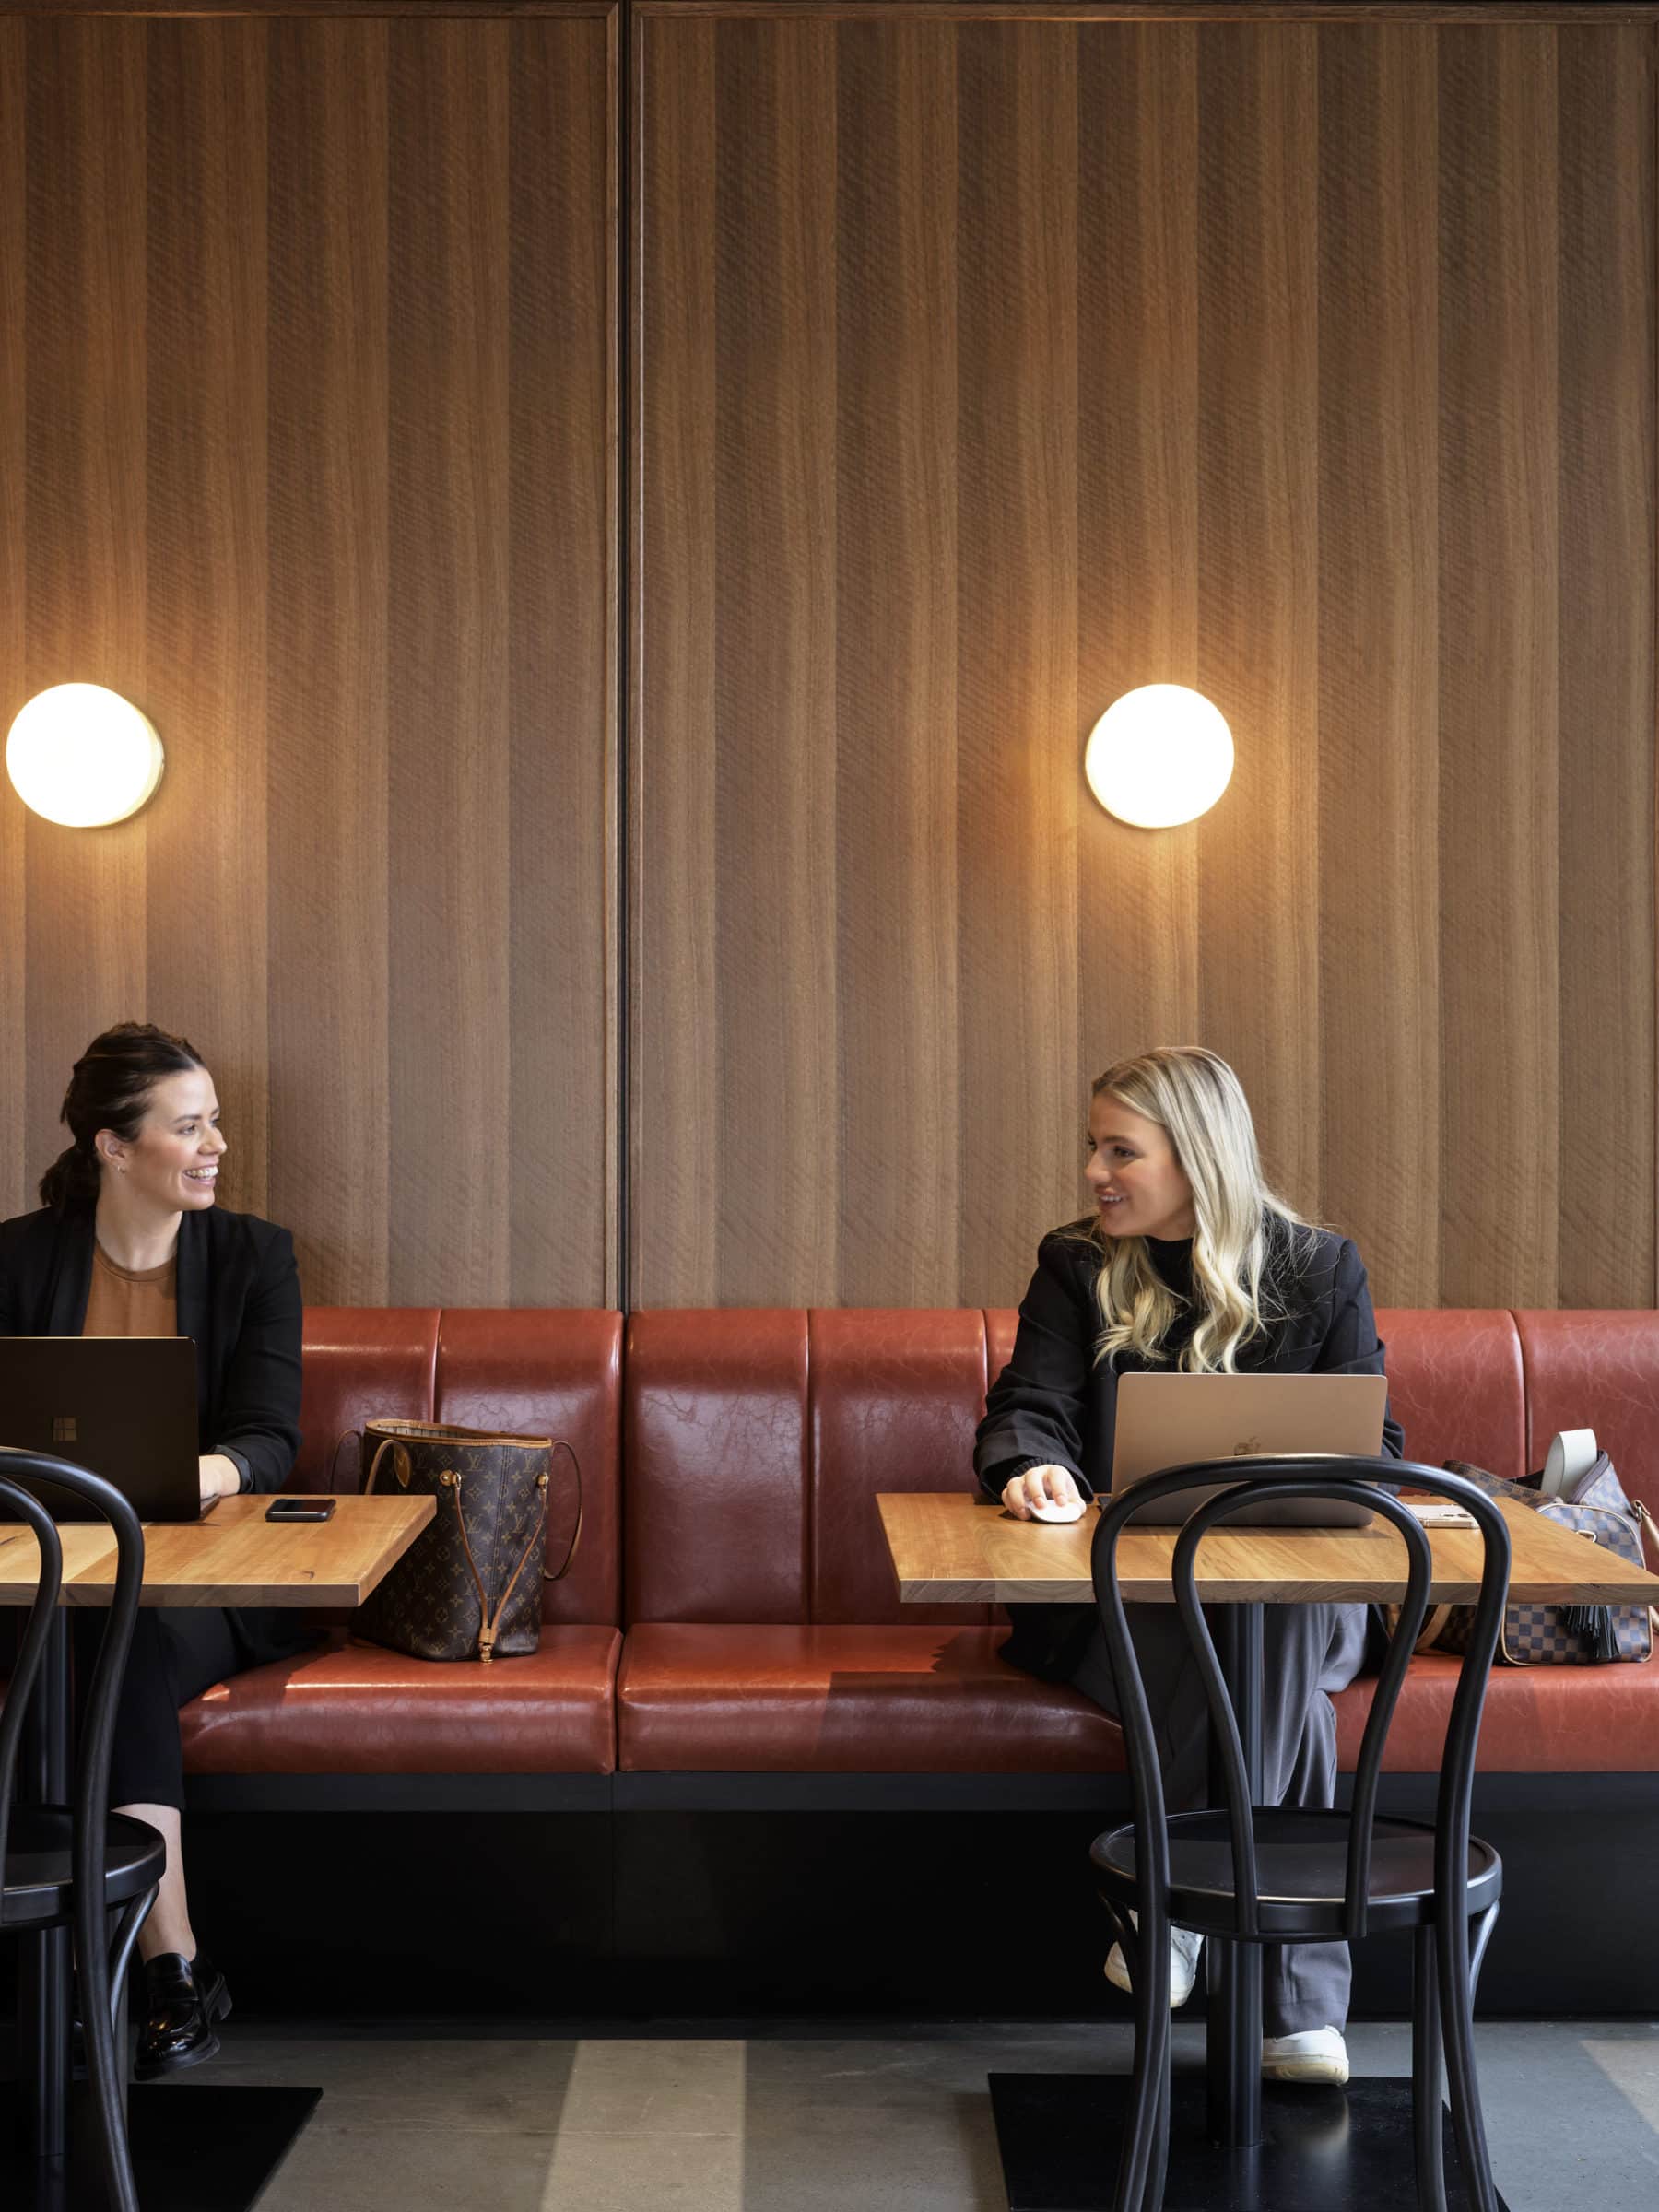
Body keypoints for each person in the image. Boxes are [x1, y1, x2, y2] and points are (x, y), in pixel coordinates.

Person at [973, 1044, 1404, 2088]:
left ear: (1195, 1157)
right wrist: (1031, 1467)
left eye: (1120, 1149)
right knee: (1255, 1669)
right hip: (1131, 1606)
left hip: (1304, 1596)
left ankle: (1166, 1906)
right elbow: (1028, 1407)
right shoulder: (1075, 1265)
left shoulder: (1318, 1266)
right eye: (1094, 1146)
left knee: (1279, 1616)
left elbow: (1376, 1449)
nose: (1093, 1172)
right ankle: (1294, 2010)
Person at [0, 1022, 305, 2077]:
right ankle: (153, 1966)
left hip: (201, 1592)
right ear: (113, 1147)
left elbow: (270, 1438)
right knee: (76, 1643)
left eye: (214, 1120)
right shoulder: (18, 1257)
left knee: (108, 1648)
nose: (216, 1142)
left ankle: (147, 1962)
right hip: (36, 1577)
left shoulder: (256, 1256)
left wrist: (187, 1474)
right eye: (190, 1126)